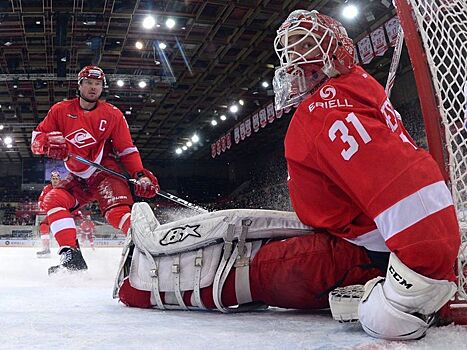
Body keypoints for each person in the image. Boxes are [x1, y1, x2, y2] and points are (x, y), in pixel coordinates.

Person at [116, 10, 461, 341]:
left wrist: (414, 289)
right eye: (291, 49)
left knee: (262, 267)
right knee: (252, 232)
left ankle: (143, 282)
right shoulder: (354, 87)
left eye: (306, 46)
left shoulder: (326, 108)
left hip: (360, 251)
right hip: (353, 234)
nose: (296, 59)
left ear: (336, 52)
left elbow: (405, 187)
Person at [30, 65, 159, 274]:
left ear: (102, 88)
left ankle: (150, 249)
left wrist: (140, 174)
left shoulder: (112, 114)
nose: (93, 88)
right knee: (52, 199)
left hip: (104, 172)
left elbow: (126, 149)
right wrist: (46, 143)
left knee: (117, 212)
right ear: (79, 85)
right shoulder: (60, 110)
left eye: (97, 84)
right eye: (89, 83)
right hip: (77, 177)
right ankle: (71, 257)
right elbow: (37, 138)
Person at [36, 170, 62, 258]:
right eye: (53, 178)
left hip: (63, 212)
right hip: (52, 212)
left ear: (59, 179)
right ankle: (46, 249)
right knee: (43, 225)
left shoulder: (64, 187)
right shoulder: (46, 188)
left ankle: (70, 248)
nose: (55, 180)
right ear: (51, 179)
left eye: (56, 178)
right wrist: (42, 206)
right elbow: (40, 200)